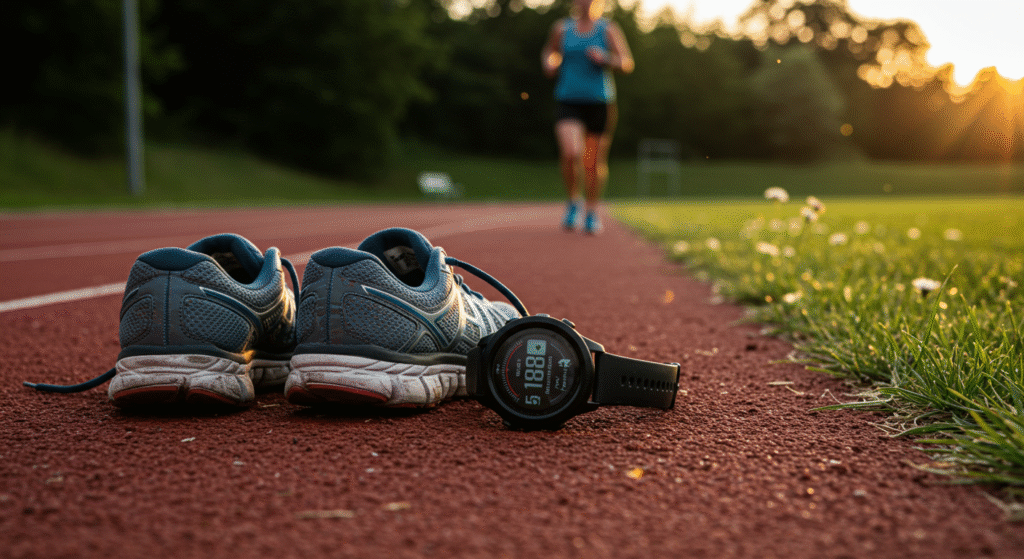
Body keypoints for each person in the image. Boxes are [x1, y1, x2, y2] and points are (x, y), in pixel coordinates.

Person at [542, 0, 634, 234]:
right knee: (571, 153)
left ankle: (592, 211)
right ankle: (574, 201)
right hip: (568, 100)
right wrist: (549, 63)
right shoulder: (562, 28)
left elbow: (626, 62)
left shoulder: (608, 29)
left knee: (592, 162)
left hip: (599, 102)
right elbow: (550, 53)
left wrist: (606, 58)